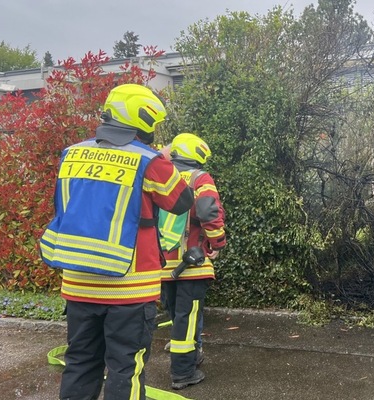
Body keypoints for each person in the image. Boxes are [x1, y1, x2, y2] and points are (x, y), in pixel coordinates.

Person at [39, 83, 194, 400]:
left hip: (79, 285)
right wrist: (162, 159)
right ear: (143, 119)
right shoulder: (148, 161)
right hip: (130, 289)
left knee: (80, 363)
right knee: (125, 369)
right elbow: (181, 201)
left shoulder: (71, 154)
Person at [158, 133, 226, 390]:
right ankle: (183, 373)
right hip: (191, 265)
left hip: (163, 265)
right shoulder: (200, 178)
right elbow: (209, 209)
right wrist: (217, 242)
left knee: (177, 316)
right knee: (187, 320)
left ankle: (190, 356)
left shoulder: (162, 177)